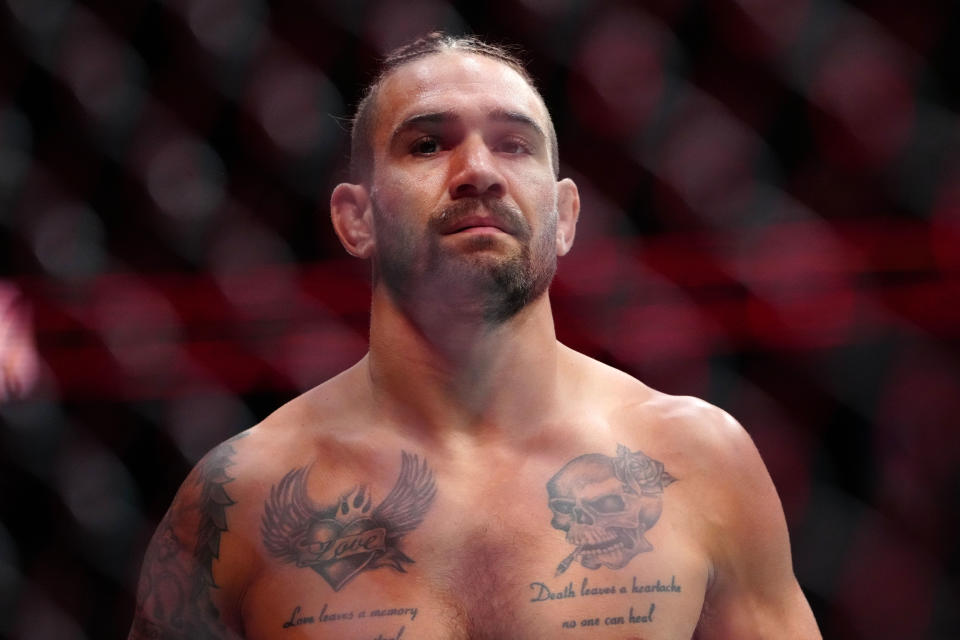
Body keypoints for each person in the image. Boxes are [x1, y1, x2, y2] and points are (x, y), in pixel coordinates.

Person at [129, 32, 821, 639]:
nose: (479, 173)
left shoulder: (697, 458)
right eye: (428, 144)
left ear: (567, 214)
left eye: (514, 144)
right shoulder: (243, 493)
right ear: (355, 219)